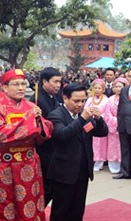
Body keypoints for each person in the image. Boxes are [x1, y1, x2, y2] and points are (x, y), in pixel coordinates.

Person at [0, 69, 53, 221]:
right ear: (4, 87)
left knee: (29, 204)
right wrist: (29, 120)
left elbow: (44, 135)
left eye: (23, 84)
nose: (21, 88)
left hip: (29, 164)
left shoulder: (30, 106)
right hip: (5, 165)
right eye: (16, 84)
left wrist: (40, 120)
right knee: (5, 205)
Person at [47, 83, 108, 221]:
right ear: (65, 98)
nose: (80, 104)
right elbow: (62, 135)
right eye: (76, 101)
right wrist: (82, 119)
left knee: (77, 209)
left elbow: (102, 132)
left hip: (82, 170)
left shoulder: (84, 114)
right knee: (60, 211)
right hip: (63, 172)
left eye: (83, 101)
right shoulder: (55, 115)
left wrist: (99, 120)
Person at [29, 67, 62, 206]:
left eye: (59, 82)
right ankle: (37, 210)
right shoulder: (36, 99)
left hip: (55, 147)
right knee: (46, 185)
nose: (58, 85)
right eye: (55, 82)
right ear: (45, 82)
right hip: (44, 148)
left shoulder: (55, 96)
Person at [105, 77, 129, 174]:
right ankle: (115, 167)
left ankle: (124, 167)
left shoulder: (127, 97)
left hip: (125, 124)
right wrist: (114, 121)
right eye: (116, 86)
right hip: (114, 127)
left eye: (120, 86)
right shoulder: (110, 99)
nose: (118, 89)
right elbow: (107, 113)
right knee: (113, 147)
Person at [84, 78, 109, 171]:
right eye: (96, 88)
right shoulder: (90, 99)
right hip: (90, 123)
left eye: (100, 88)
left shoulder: (106, 100)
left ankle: (99, 163)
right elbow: (85, 110)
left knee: (101, 144)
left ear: (103, 89)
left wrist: (99, 117)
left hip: (100, 123)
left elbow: (107, 113)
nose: (97, 90)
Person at [114, 70, 131, 179]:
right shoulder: (124, 90)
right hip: (123, 125)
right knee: (124, 149)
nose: (129, 78)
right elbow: (120, 107)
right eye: (128, 76)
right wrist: (119, 120)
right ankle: (125, 172)